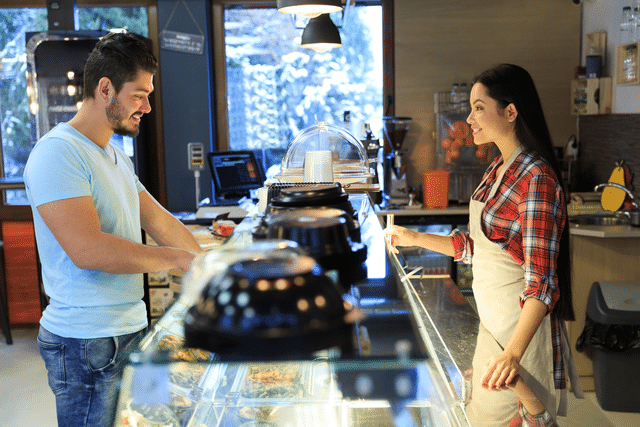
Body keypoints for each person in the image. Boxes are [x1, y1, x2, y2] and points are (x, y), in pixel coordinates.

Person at [385, 64, 583, 426]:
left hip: (518, 342)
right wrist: (412, 239)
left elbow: (542, 284)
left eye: (479, 107)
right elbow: (475, 248)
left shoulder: (537, 178)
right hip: (492, 330)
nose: (469, 118)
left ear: (510, 111)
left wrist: (511, 356)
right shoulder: (497, 167)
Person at [23, 31, 203, 427]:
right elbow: (89, 250)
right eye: (139, 95)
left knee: (150, 422)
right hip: (87, 344)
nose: (148, 107)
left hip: (132, 328)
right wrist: (178, 260)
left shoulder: (113, 154)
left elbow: (158, 220)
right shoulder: (57, 153)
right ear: (105, 89)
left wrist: (207, 270)